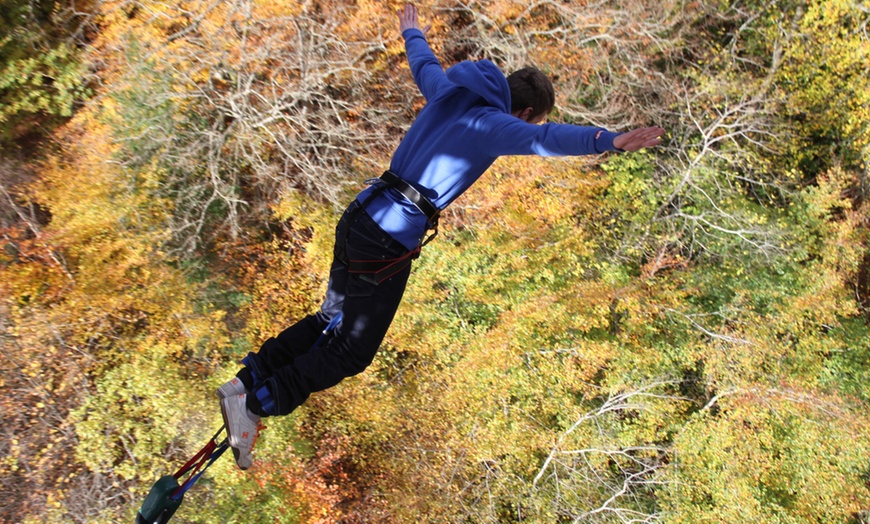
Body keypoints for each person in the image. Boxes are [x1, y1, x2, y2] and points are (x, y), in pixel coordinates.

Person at [218, 3, 665, 470]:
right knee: (351, 350)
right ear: (524, 111)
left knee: (332, 316)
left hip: (359, 216)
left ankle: (248, 380)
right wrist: (606, 141)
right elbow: (544, 139)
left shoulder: (448, 90)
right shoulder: (493, 125)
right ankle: (255, 406)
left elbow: (425, 64)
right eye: (526, 120)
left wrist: (412, 32)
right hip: (386, 240)